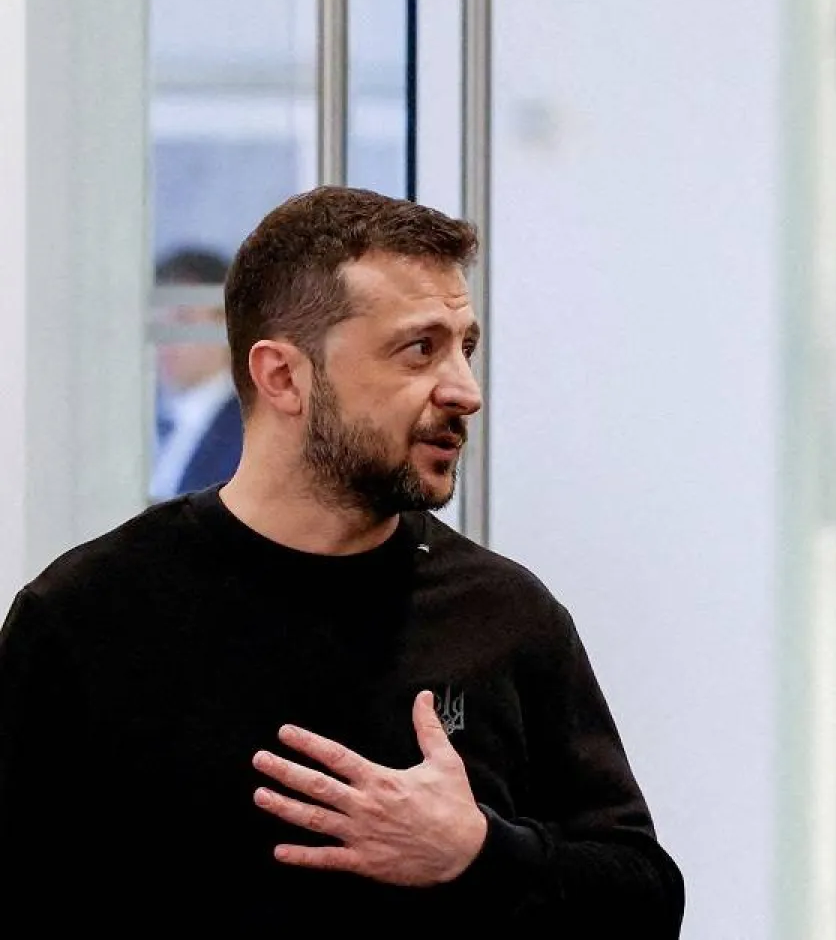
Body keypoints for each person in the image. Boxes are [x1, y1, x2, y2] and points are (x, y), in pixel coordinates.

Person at [0, 185, 685, 933]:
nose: (464, 389)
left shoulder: (504, 616)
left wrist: (480, 851)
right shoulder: (86, 617)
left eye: (466, 347)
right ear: (284, 377)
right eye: (419, 349)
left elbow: (643, 899)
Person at [150, 246, 244, 500]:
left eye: (183, 318)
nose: (165, 338)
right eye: (156, 320)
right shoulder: (131, 424)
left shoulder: (250, 435)